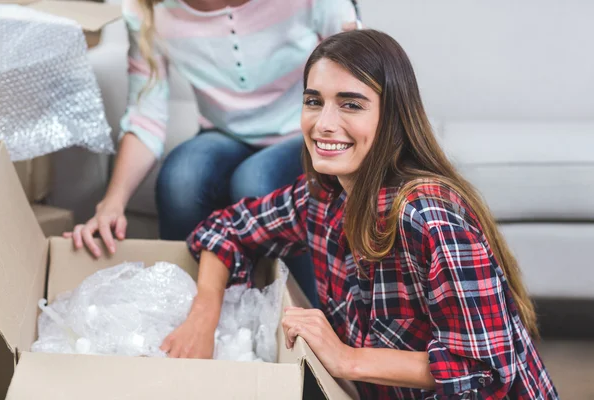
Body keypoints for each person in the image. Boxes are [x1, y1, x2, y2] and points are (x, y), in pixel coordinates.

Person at [161, 30, 559, 399]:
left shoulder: (429, 218)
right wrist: (204, 313)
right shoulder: (320, 198)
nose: (324, 124)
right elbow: (225, 228)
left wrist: (345, 357)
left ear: (392, 117)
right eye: (314, 101)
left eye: (351, 104)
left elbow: (484, 369)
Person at [64, 0, 359, 307]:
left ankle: (309, 314)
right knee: (181, 178)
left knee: (255, 182)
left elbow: (360, 80)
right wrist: (112, 202)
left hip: (305, 134)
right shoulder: (148, 10)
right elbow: (145, 116)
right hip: (224, 133)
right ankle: (190, 308)